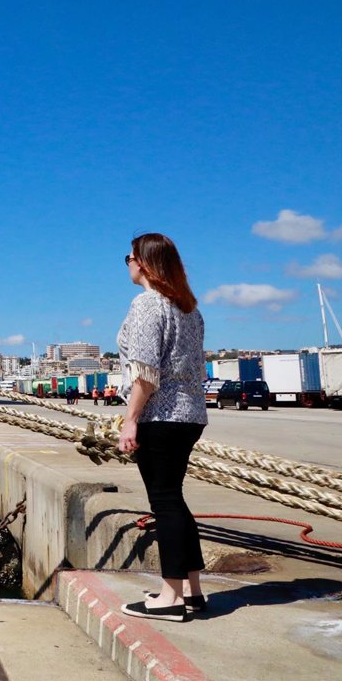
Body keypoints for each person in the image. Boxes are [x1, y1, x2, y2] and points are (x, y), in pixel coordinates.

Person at [117, 233, 207, 622]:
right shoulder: (189, 309)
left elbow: (145, 373)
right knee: (175, 500)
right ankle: (192, 591)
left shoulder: (148, 304)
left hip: (161, 416)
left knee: (165, 503)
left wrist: (130, 420)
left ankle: (170, 598)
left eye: (129, 258)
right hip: (190, 416)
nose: (128, 264)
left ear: (144, 263)